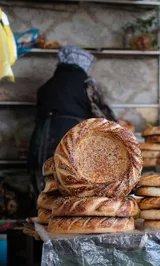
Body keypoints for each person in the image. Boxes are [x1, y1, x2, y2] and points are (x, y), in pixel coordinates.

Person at [28, 46, 117, 195]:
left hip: (40, 140)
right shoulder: (86, 84)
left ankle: (41, 216)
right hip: (70, 138)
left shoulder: (46, 86)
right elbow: (103, 117)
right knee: (72, 185)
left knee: (45, 184)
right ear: (83, 65)